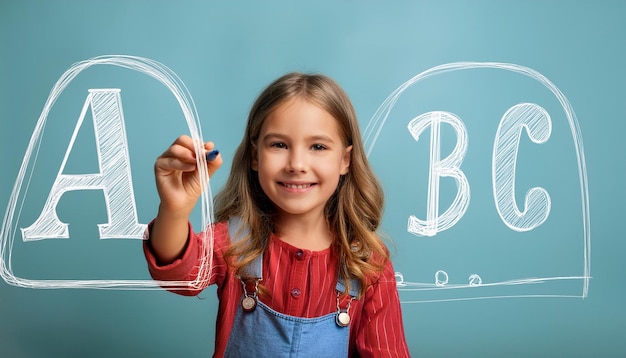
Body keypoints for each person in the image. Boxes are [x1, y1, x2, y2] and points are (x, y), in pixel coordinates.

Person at [143, 72, 410, 357]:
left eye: (318, 147)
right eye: (279, 145)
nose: (296, 164)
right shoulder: (233, 241)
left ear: (345, 160)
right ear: (256, 156)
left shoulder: (369, 263)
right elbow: (180, 277)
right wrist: (174, 208)